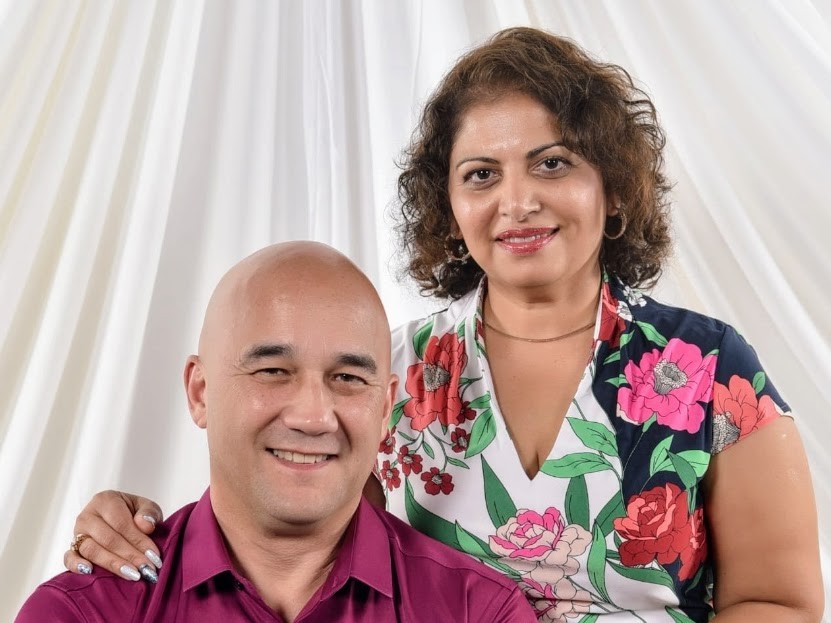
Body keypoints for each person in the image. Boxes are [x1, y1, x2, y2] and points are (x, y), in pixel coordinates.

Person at [60, 28, 824, 622]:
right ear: (450, 209)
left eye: (552, 163)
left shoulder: (708, 367)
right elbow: (294, 547)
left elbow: (781, 601)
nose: (516, 201)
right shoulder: (389, 372)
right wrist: (133, 524)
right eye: (481, 174)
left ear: (614, 187)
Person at [16, 242, 535, 622]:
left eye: (348, 378)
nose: (313, 416)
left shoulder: (479, 613)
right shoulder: (82, 614)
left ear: (384, 410)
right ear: (200, 392)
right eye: (272, 371)